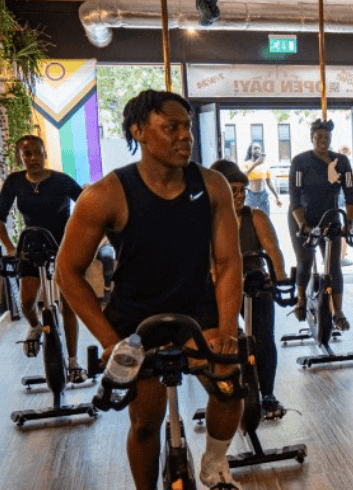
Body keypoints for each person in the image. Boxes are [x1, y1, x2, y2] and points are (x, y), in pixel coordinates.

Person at [56, 90, 245, 490]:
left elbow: (229, 261)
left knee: (230, 385)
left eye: (187, 127)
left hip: (197, 309)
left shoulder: (212, 186)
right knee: (146, 420)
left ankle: (214, 465)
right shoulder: (105, 194)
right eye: (171, 127)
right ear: (138, 131)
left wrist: (228, 327)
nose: (185, 136)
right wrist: (110, 342)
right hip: (135, 318)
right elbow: (67, 272)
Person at [0, 135, 87, 378]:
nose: (33, 158)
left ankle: (73, 362)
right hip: (31, 245)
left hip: (62, 244)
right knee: (26, 302)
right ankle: (35, 327)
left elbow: (87, 205)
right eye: (27, 154)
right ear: (20, 157)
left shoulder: (61, 180)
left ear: (45, 153)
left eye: (37, 152)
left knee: (68, 304)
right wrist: (10, 248)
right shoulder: (14, 182)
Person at [211, 160, 288, 418]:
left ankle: (267, 394)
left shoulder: (255, 217)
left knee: (263, 340)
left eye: (242, 190)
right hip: (223, 288)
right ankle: (228, 391)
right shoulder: (208, 221)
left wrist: (280, 278)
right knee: (227, 341)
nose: (240, 195)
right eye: (232, 190)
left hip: (255, 284)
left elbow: (274, 251)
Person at [287, 119, 353, 330]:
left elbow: (351, 195)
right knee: (305, 260)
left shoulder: (342, 162)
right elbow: (294, 197)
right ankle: (301, 300)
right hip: (302, 216)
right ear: (312, 138)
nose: (323, 140)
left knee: (334, 265)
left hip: (330, 216)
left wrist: (349, 223)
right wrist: (303, 225)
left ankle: (338, 312)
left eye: (327, 137)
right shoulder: (300, 162)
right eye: (318, 137)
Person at [242, 143, 282, 213]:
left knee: (266, 217)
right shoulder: (246, 164)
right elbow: (243, 176)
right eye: (255, 148)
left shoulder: (265, 164)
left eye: (258, 148)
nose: (257, 150)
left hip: (263, 195)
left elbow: (269, 182)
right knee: (251, 218)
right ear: (251, 151)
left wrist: (277, 197)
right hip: (251, 196)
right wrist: (255, 164)